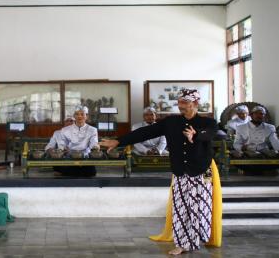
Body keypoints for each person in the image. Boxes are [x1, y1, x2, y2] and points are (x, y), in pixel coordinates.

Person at [100, 89, 222, 255]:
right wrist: (119, 141)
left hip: (202, 170)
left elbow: (210, 134)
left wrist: (196, 134)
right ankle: (183, 243)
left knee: (199, 208)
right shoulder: (171, 122)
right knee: (180, 208)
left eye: (185, 103)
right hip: (180, 171)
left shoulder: (208, 122)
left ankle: (198, 238)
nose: (181, 106)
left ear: (195, 104)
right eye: (179, 103)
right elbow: (144, 133)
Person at [56, 106, 99, 177]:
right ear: (74, 116)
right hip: (70, 159)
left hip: (86, 159)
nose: (79, 116)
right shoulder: (65, 130)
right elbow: (62, 144)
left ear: (86, 116)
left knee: (91, 172)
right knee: (68, 173)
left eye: (82, 114)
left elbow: (94, 142)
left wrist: (95, 147)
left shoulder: (92, 130)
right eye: (77, 114)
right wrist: (62, 148)